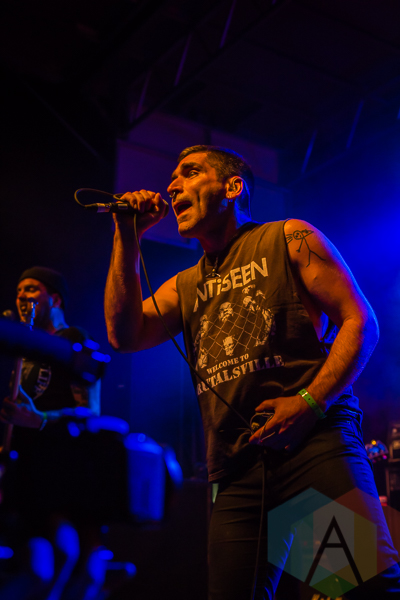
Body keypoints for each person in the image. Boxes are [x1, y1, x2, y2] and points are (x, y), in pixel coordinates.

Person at [104, 145, 400, 599]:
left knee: (358, 589)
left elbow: (361, 322)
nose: (172, 185)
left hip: (310, 450)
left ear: (233, 187)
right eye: (173, 177)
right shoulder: (186, 285)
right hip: (237, 468)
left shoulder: (287, 238)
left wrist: (308, 402)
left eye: (190, 172)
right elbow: (124, 335)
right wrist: (127, 234)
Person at [0, 266, 100, 439]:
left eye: (31, 289)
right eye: (18, 291)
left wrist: (40, 419)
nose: (20, 296)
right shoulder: (27, 347)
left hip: (56, 452)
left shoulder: (74, 339)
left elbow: (90, 413)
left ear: (55, 300)